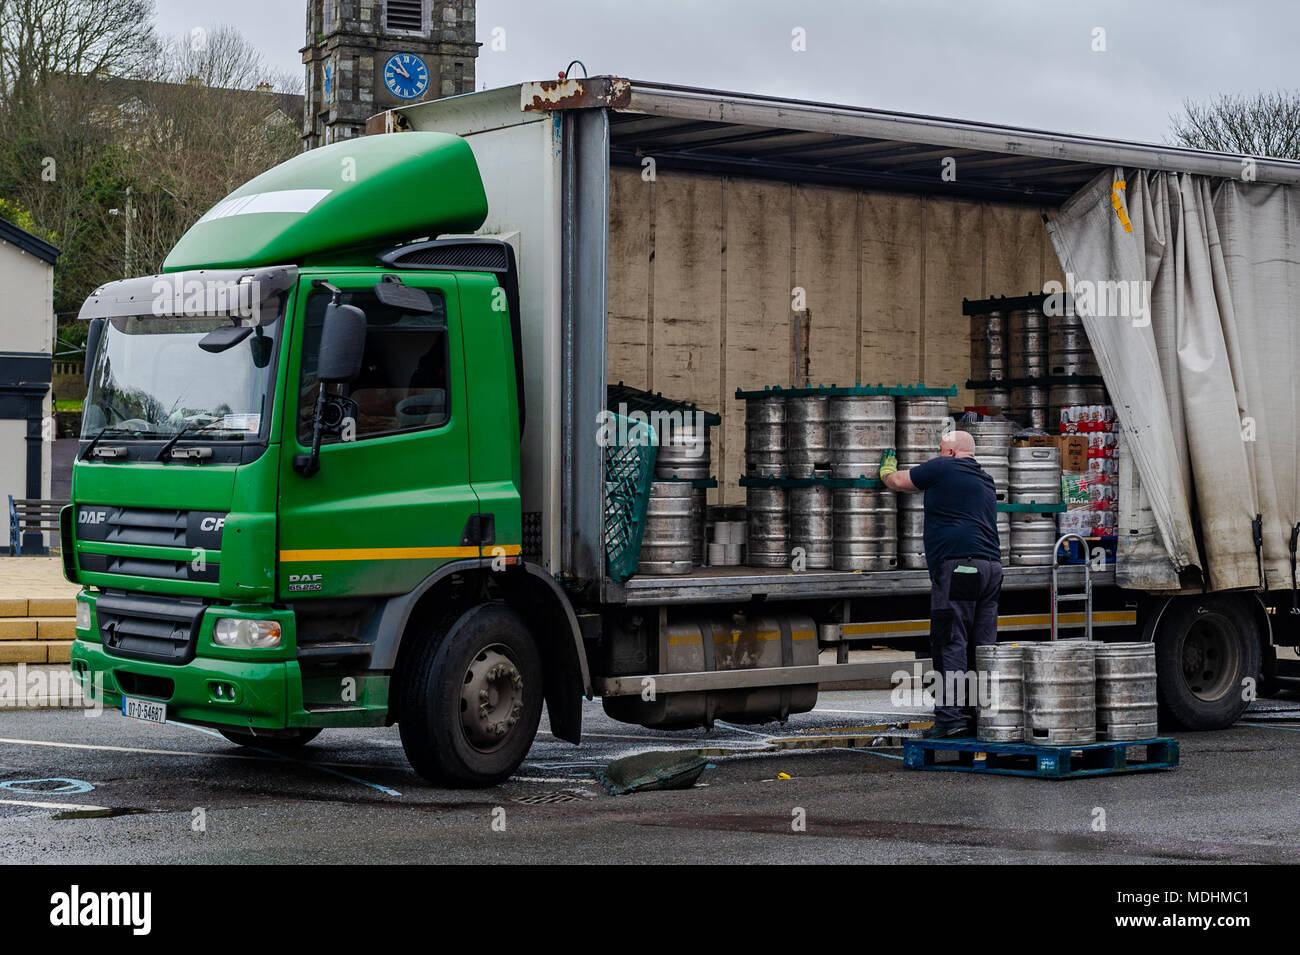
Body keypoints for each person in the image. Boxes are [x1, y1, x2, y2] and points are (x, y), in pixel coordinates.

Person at [879, 431, 1002, 739]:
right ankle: (978, 715)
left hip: (961, 568)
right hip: (991, 569)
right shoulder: (985, 479)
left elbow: (898, 482)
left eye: (939, 449)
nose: (937, 453)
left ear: (949, 452)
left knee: (950, 640)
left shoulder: (943, 467)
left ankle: (949, 718)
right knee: (981, 646)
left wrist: (886, 469)